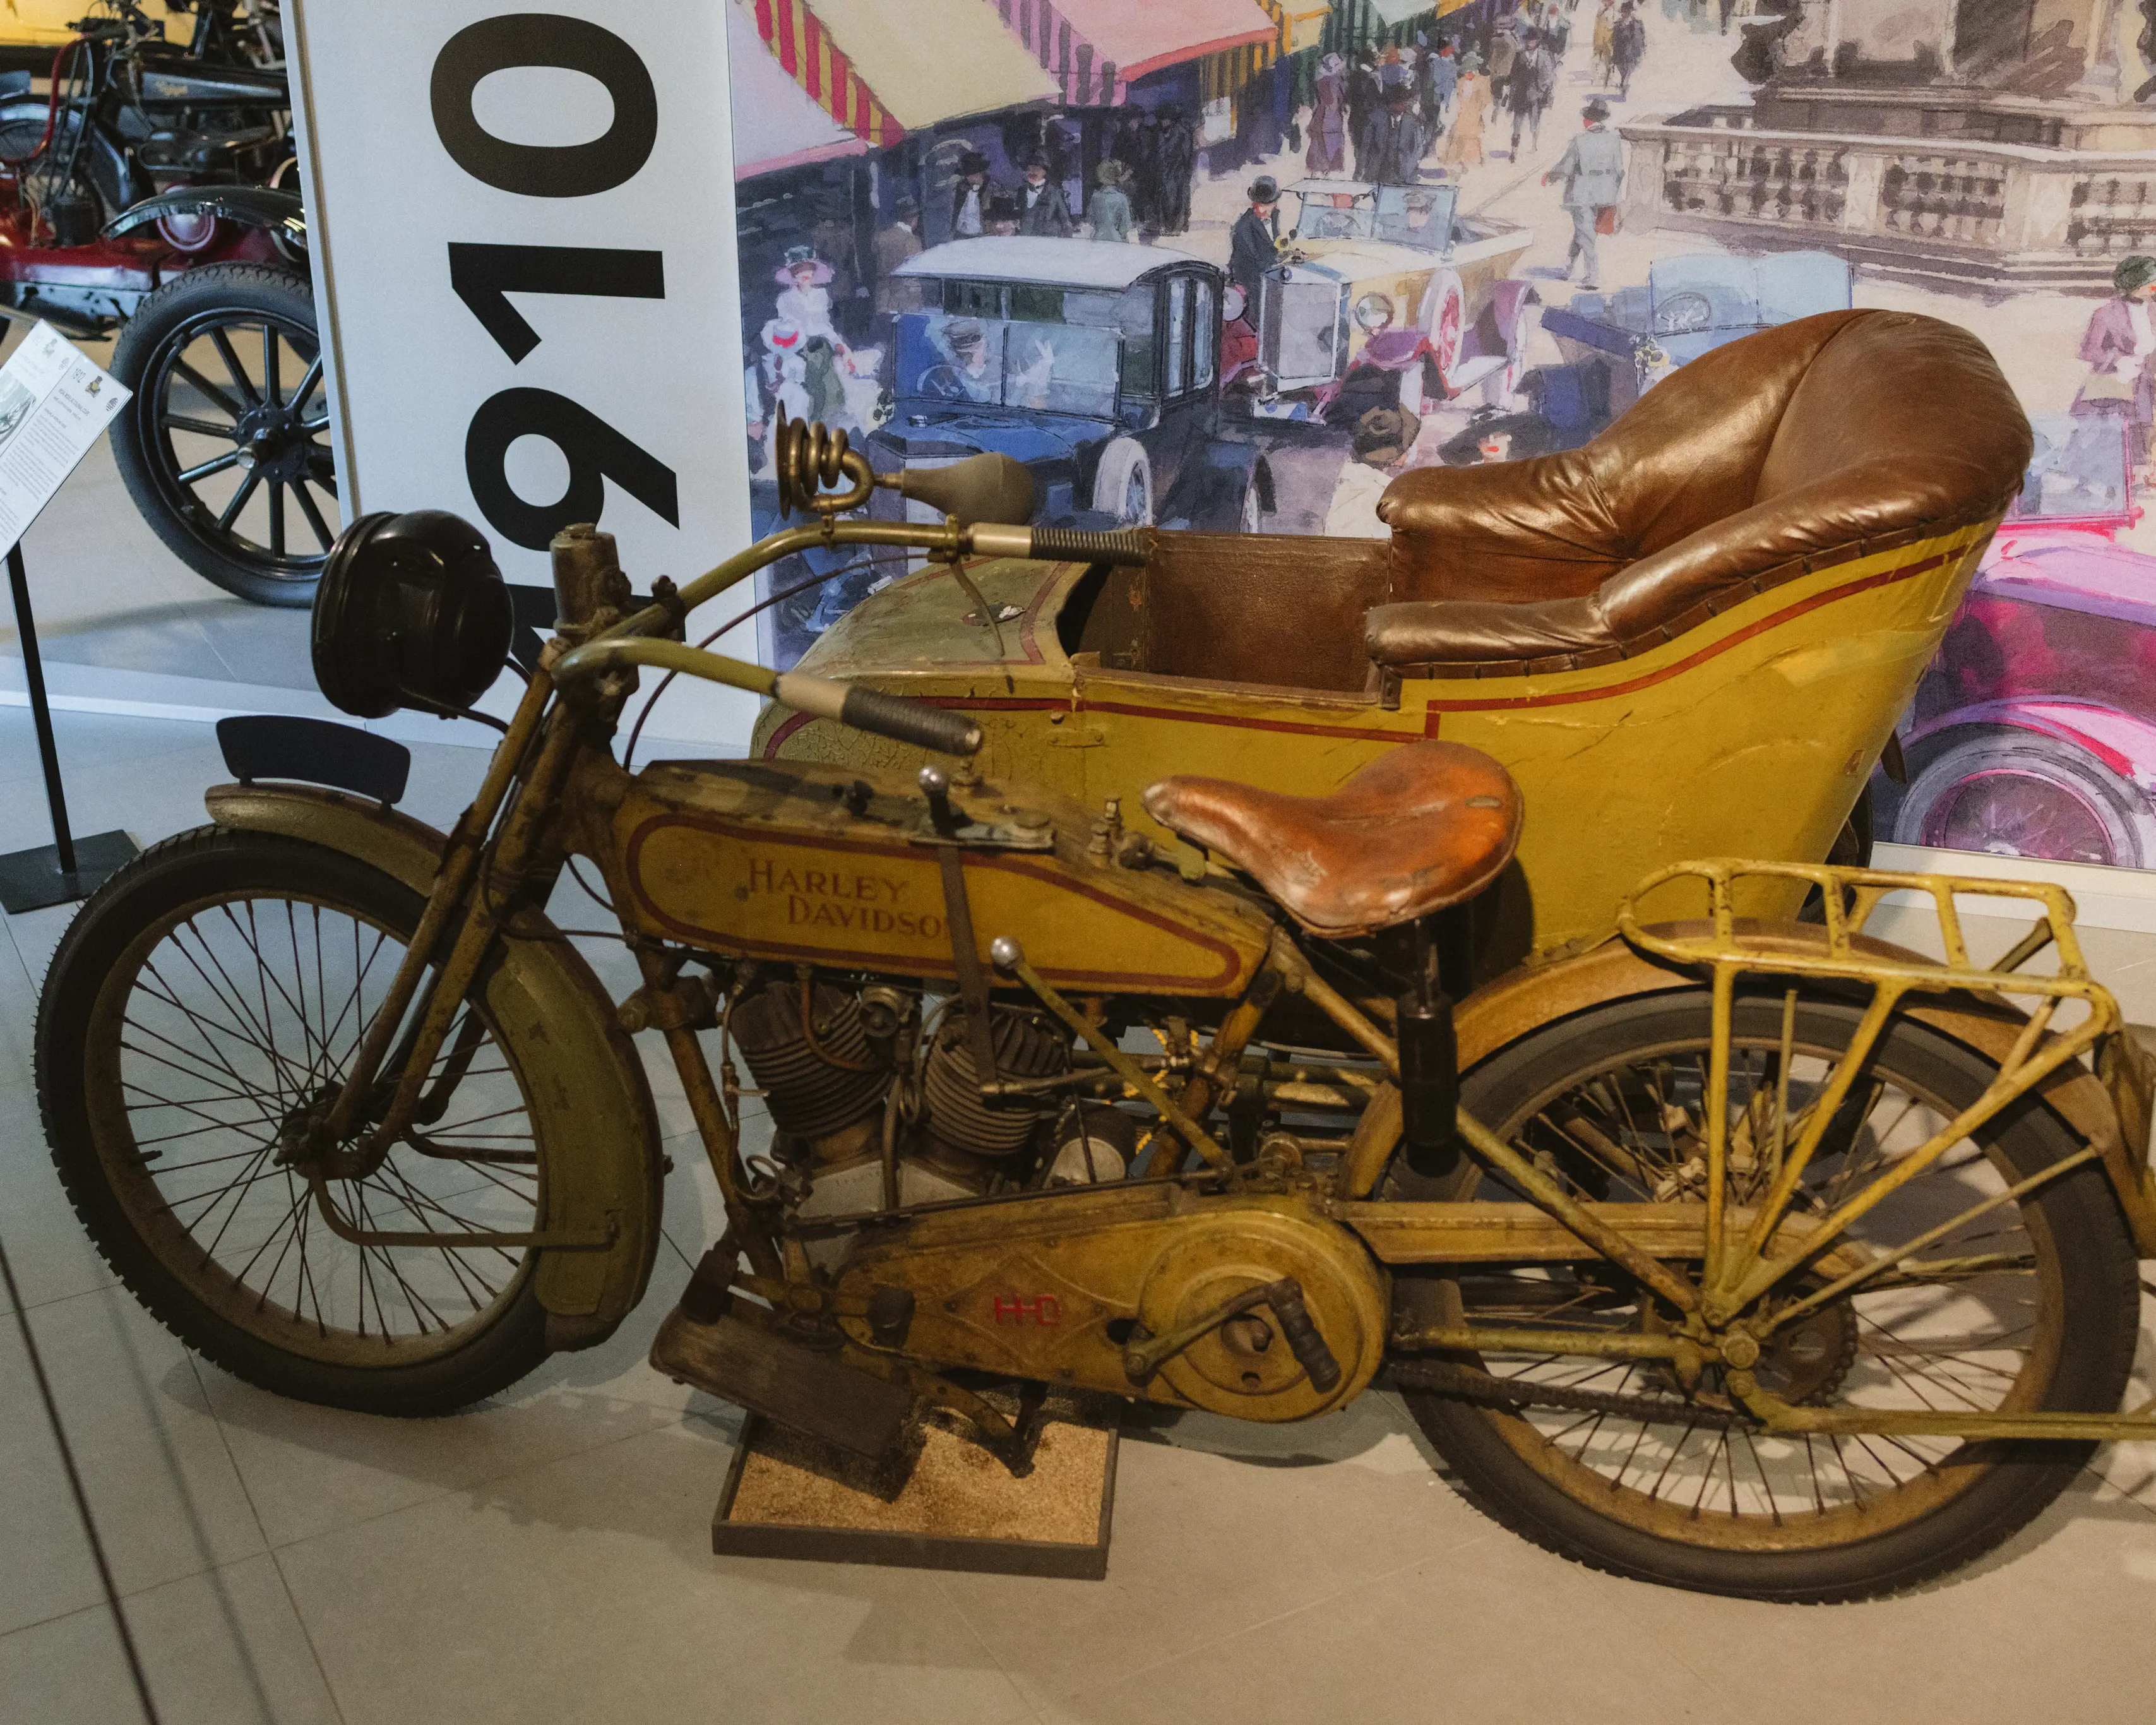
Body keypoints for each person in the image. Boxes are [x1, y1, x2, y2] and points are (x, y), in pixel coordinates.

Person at [2076, 254, 2156, 467]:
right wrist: (2119, 360)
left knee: (2148, 431)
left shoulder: (2154, 310)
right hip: (2120, 387)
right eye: (2151, 283)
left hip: (2149, 382)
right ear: (2134, 284)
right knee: (2123, 438)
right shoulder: (2106, 314)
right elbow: (2089, 351)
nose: (2155, 287)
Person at [1544, 98, 1624, 288]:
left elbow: (1566, 167)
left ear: (1588, 120)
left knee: (1586, 234)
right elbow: (1620, 171)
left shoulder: (1580, 141)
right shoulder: (1614, 140)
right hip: (1604, 196)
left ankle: (1591, 277)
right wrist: (1611, 191)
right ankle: (1568, 267)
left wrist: (1550, 176)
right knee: (1584, 231)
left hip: (1581, 195)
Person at [1325, 406, 1422, 537]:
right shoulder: (1376, 493)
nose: (1408, 453)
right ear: (1393, 455)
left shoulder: (1353, 478)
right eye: (1406, 448)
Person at [1359, 82, 1431, 186]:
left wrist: (1409, 168)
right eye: (1402, 104)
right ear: (1392, 103)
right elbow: (1365, 147)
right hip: (1377, 174)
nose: (1406, 107)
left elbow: (1418, 149)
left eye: (1406, 104)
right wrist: (1361, 173)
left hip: (1403, 175)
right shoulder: (1377, 118)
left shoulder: (1412, 123)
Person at [1229, 176, 1282, 301]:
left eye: (1273, 202)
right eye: (1268, 204)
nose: (1274, 206)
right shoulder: (1243, 228)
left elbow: (1273, 248)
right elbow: (1254, 262)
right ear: (1255, 204)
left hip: (1269, 278)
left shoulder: (1273, 216)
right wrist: (1278, 264)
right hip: (1251, 286)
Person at [1439, 51, 1491, 169]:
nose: (1468, 74)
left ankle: (1476, 159)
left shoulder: (1482, 81)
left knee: (1473, 137)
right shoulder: (1461, 82)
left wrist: (1480, 110)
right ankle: (1460, 160)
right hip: (1462, 114)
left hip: (1475, 114)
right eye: (1466, 72)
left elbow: (1486, 99)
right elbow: (1457, 96)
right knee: (1459, 136)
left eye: (1470, 72)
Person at [1507, 30, 1556, 155]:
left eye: (1533, 41)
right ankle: (1514, 149)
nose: (1530, 43)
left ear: (1537, 42)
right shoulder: (1520, 55)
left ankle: (1534, 144)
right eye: (1528, 41)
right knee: (1517, 122)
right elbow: (1513, 73)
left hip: (1536, 94)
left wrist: (1541, 90)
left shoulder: (1544, 55)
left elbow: (1549, 75)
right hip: (1520, 92)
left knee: (1534, 121)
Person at [1155, 107, 1197, 234]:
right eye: (1162, 120)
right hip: (1165, 171)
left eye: (1165, 119)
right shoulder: (1161, 133)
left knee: (1179, 197)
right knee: (1167, 198)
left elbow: (1187, 154)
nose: (1163, 122)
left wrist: (1185, 171)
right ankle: (1169, 225)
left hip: (1179, 170)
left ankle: (1179, 225)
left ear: (1171, 120)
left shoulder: (1182, 133)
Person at [1307, 51, 1350, 175]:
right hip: (1329, 117)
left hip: (1324, 115)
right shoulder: (1332, 82)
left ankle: (1320, 170)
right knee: (1329, 142)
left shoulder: (1323, 81)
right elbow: (1332, 101)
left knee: (1321, 143)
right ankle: (1327, 170)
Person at [1016, 154, 1073, 237]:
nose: (1031, 173)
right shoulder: (1022, 191)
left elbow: (1065, 220)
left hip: (1046, 241)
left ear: (1044, 172)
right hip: (1025, 241)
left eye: (1035, 169)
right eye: (1028, 170)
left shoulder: (1055, 193)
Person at [1086, 158, 1135, 242]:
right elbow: (1126, 225)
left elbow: (1090, 220)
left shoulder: (1096, 197)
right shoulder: (1122, 198)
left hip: (1098, 238)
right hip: (1116, 239)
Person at [951, 150, 994, 238]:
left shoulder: (992, 191)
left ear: (982, 174)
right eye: (969, 175)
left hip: (982, 236)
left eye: (976, 174)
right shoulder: (959, 190)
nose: (973, 178)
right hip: (958, 236)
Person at [1612, 1, 1647, 98]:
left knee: (1628, 72)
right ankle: (1624, 84)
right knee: (1623, 72)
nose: (1626, 14)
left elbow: (1642, 37)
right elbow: (1614, 40)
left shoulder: (1637, 23)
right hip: (1620, 54)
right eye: (1624, 12)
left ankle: (1624, 89)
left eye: (1628, 12)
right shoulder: (1618, 25)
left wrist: (1643, 48)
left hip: (1633, 53)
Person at [1422, 38, 1458, 130]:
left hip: (1436, 95)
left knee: (1434, 117)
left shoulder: (1437, 60)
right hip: (1436, 95)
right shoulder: (1441, 60)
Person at [1593, 0, 1617, 83]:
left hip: (1609, 40)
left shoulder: (1615, 11)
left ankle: (1610, 75)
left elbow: (1615, 26)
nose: (1603, 2)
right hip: (1600, 40)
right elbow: (1597, 27)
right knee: (1599, 59)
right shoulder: (1601, 11)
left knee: (1609, 59)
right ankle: (1599, 76)